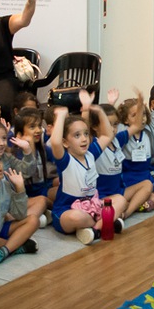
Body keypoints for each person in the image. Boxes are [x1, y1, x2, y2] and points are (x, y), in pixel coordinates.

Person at [49, 104, 127, 245]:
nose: (84, 139)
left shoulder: (91, 154)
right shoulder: (66, 161)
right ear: (65, 142)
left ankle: (96, 229)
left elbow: (108, 135)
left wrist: (99, 111)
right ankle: (106, 223)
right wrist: (60, 116)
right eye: (77, 135)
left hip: (93, 206)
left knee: (120, 200)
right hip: (68, 210)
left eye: (86, 133)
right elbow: (55, 142)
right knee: (76, 217)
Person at [89, 97, 152, 219]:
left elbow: (137, 125)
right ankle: (115, 211)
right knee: (120, 201)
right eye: (108, 125)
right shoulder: (94, 146)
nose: (112, 129)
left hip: (119, 191)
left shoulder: (118, 140)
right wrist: (87, 109)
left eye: (115, 124)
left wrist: (139, 105)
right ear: (95, 127)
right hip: (102, 196)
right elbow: (86, 125)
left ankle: (126, 213)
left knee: (147, 185)